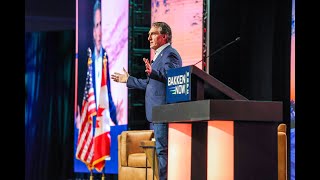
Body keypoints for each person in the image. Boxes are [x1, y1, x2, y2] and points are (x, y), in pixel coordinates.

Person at [111, 21, 182, 180]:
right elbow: (149, 84)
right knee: (159, 151)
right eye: (149, 34)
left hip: (164, 112)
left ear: (164, 36)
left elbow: (173, 77)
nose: (148, 37)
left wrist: (154, 72)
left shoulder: (170, 54)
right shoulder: (158, 57)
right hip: (156, 113)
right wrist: (129, 79)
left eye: (153, 34)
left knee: (162, 152)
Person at [91, 0, 117, 125]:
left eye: (102, 24)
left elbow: (109, 94)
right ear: (93, 31)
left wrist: (115, 118)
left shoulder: (108, 57)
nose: (99, 30)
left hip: (106, 121)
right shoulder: (89, 60)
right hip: (91, 119)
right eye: (97, 25)